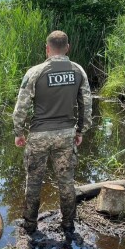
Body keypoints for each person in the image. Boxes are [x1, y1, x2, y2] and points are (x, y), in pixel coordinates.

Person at [13, 30, 92, 238]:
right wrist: (81, 130)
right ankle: (68, 225)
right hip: (66, 135)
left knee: (34, 182)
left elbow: (21, 107)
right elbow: (86, 104)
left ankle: (30, 225)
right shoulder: (78, 71)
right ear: (67, 48)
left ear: (47, 49)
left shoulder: (35, 72)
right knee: (66, 181)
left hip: (39, 135)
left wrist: (18, 132)